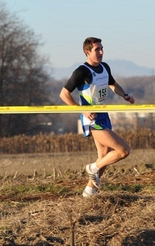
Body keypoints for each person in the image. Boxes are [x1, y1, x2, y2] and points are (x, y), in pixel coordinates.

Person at [60, 37, 135, 198]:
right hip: (91, 118)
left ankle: (89, 191)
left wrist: (125, 95)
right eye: (97, 49)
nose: (101, 52)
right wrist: (82, 111)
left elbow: (113, 84)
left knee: (104, 155)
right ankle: (92, 168)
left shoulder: (105, 67)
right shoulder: (81, 71)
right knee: (123, 150)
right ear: (87, 52)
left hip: (103, 115)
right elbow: (64, 94)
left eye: (102, 48)